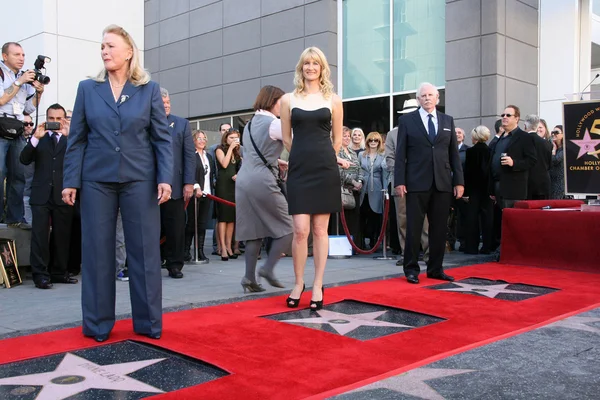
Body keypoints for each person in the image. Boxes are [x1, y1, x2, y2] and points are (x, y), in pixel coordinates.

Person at [62, 25, 173, 343]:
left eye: (110, 46)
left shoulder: (148, 89)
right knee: (97, 252)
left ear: (129, 51)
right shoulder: (87, 89)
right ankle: (97, 324)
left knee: (144, 251)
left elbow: (161, 139)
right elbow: (77, 139)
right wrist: (71, 180)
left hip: (140, 179)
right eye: (102, 46)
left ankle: (149, 323)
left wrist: (165, 177)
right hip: (96, 180)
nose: (105, 51)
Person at [281, 46, 344, 310]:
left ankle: (317, 284)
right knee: (300, 231)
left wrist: (324, 158)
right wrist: (301, 158)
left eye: (315, 63)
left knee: (320, 230)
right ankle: (298, 282)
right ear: (301, 68)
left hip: (324, 170)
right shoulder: (288, 99)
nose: (310, 67)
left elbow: (338, 140)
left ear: (322, 68)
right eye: (306, 63)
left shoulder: (334, 99)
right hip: (299, 170)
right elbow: (286, 137)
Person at [394, 82, 464, 284]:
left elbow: (453, 154)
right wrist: (400, 181)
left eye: (430, 95)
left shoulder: (447, 121)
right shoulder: (407, 120)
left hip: (442, 184)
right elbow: (401, 154)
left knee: (439, 229)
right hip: (416, 183)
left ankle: (435, 268)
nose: (427, 98)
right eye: (423, 95)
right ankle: (411, 269)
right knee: (414, 227)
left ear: (437, 98)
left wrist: (459, 182)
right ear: (418, 99)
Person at [236, 85, 293, 293]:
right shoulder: (275, 124)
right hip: (261, 180)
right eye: (282, 103)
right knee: (288, 227)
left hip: (243, 180)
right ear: (273, 101)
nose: (283, 107)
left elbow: (253, 152)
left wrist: (275, 160)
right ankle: (268, 269)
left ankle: (248, 278)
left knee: (254, 232)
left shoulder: (249, 124)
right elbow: (297, 143)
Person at [20, 103, 77, 289]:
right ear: (46, 119)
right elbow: (24, 159)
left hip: (63, 193)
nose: (55, 122)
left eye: (58, 119)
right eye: (51, 119)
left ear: (64, 120)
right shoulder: (39, 138)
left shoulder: (71, 139)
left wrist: (70, 137)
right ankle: (40, 275)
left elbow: (80, 160)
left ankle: (59, 272)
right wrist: (35, 138)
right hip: (41, 194)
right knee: (39, 236)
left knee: (63, 235)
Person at [1, 42, 46, 229]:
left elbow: (28, 108)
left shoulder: (24, 77)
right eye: (17, 54)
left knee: (19, 175)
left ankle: (15, 218)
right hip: (1, 125)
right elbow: (1, 99)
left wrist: (39, 92)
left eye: (23, 55)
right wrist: (19, 82)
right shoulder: (3, 74)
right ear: (4, 56)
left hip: (18, 128)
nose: (21, 58)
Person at [159, 87, 195, 279]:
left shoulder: (181, 124)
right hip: (150, 185)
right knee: (151, 227)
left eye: (168, 103)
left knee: (175, 227)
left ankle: (174, 264)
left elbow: (189, 155)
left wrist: (189, 182)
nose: (165, 106)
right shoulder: (145, 123)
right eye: (161, 103)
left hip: (175, 185)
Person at [184, 130, 216, 263]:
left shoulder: (208, 156)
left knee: (202, 223)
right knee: (192, 222)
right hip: (194, 193)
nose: (202, 141)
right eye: (199, 138)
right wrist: (196, 186)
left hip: (207, 193)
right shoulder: (191, 155)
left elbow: (211, 173)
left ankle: (200, 251)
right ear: (193, 141)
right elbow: (189, 173)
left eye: (204, 138)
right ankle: (186, 251)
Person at [463, 126, 493, 254]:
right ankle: (487, 246)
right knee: (487, 219)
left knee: (472, 219)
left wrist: (466, 192)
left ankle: (471, 247)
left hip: (474, 189)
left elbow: (468, 173)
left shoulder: (470, 152)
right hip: (487, 189)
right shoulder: (491, 151)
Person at [215, 128, 241, 261]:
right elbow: (224, 164)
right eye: (231, 138)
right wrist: (230, 148)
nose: (234, 140)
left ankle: (230, 247)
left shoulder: (237, 152)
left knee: (231, 218)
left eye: (236, 138)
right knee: (223, 218)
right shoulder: (220, 149)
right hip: (223, 186)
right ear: (226, 138)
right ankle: (223, 248)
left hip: (233, 186)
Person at [358, 131, 388, 250]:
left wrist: (385, 189)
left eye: (376, 140)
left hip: (376, 186)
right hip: (363, 186)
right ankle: (361, 241)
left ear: (379, 142)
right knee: (362, 213)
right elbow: (358, 170)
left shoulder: (383, 155)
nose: (373, 142)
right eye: (371, 140)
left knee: (375, 215)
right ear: (367, 142)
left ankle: (373, 241)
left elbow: (385, 174)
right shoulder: (361, 154)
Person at [550, 125, 566, 199]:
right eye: (552, 132)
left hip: (560, 183)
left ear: (563, 134)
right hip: (552, 181)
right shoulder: (553, 147)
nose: (553, 134)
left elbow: (555, 160)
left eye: (556, 132)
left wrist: (553, 151)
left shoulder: (564, 149)